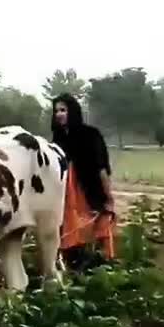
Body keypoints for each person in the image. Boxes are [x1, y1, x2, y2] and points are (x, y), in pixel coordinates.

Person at [51, 93, 116, 271]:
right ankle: (72, 267)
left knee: (93, 227)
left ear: (72, 111)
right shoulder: (57, 141)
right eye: (56, 111)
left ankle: (99, 266)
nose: (59, 114)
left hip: (87, 190)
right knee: (68, 232)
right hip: (64, 194)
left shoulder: (90, 135)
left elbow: (101, 167)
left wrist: (108, 195)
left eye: (63, 110)